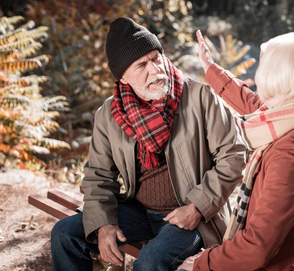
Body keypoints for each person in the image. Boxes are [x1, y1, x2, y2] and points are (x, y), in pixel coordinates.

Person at [50, 17, 246, 271]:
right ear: (122, 78)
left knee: (150, 261)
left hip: (193, 217)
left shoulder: (201, 97)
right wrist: (103, 223)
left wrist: (198, 206)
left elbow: (234, 155)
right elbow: (98, 175)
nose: (154, 69)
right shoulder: (109, 114)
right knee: (64, 234)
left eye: (155, 57)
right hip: (139, 211)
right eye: (141, 65)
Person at [177, 31, 294, 270]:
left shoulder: (291, 154)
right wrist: (211, 68)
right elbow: (257, 107)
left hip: (293, 263)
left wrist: (203, 263)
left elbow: (258, 246)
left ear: (280, 79)